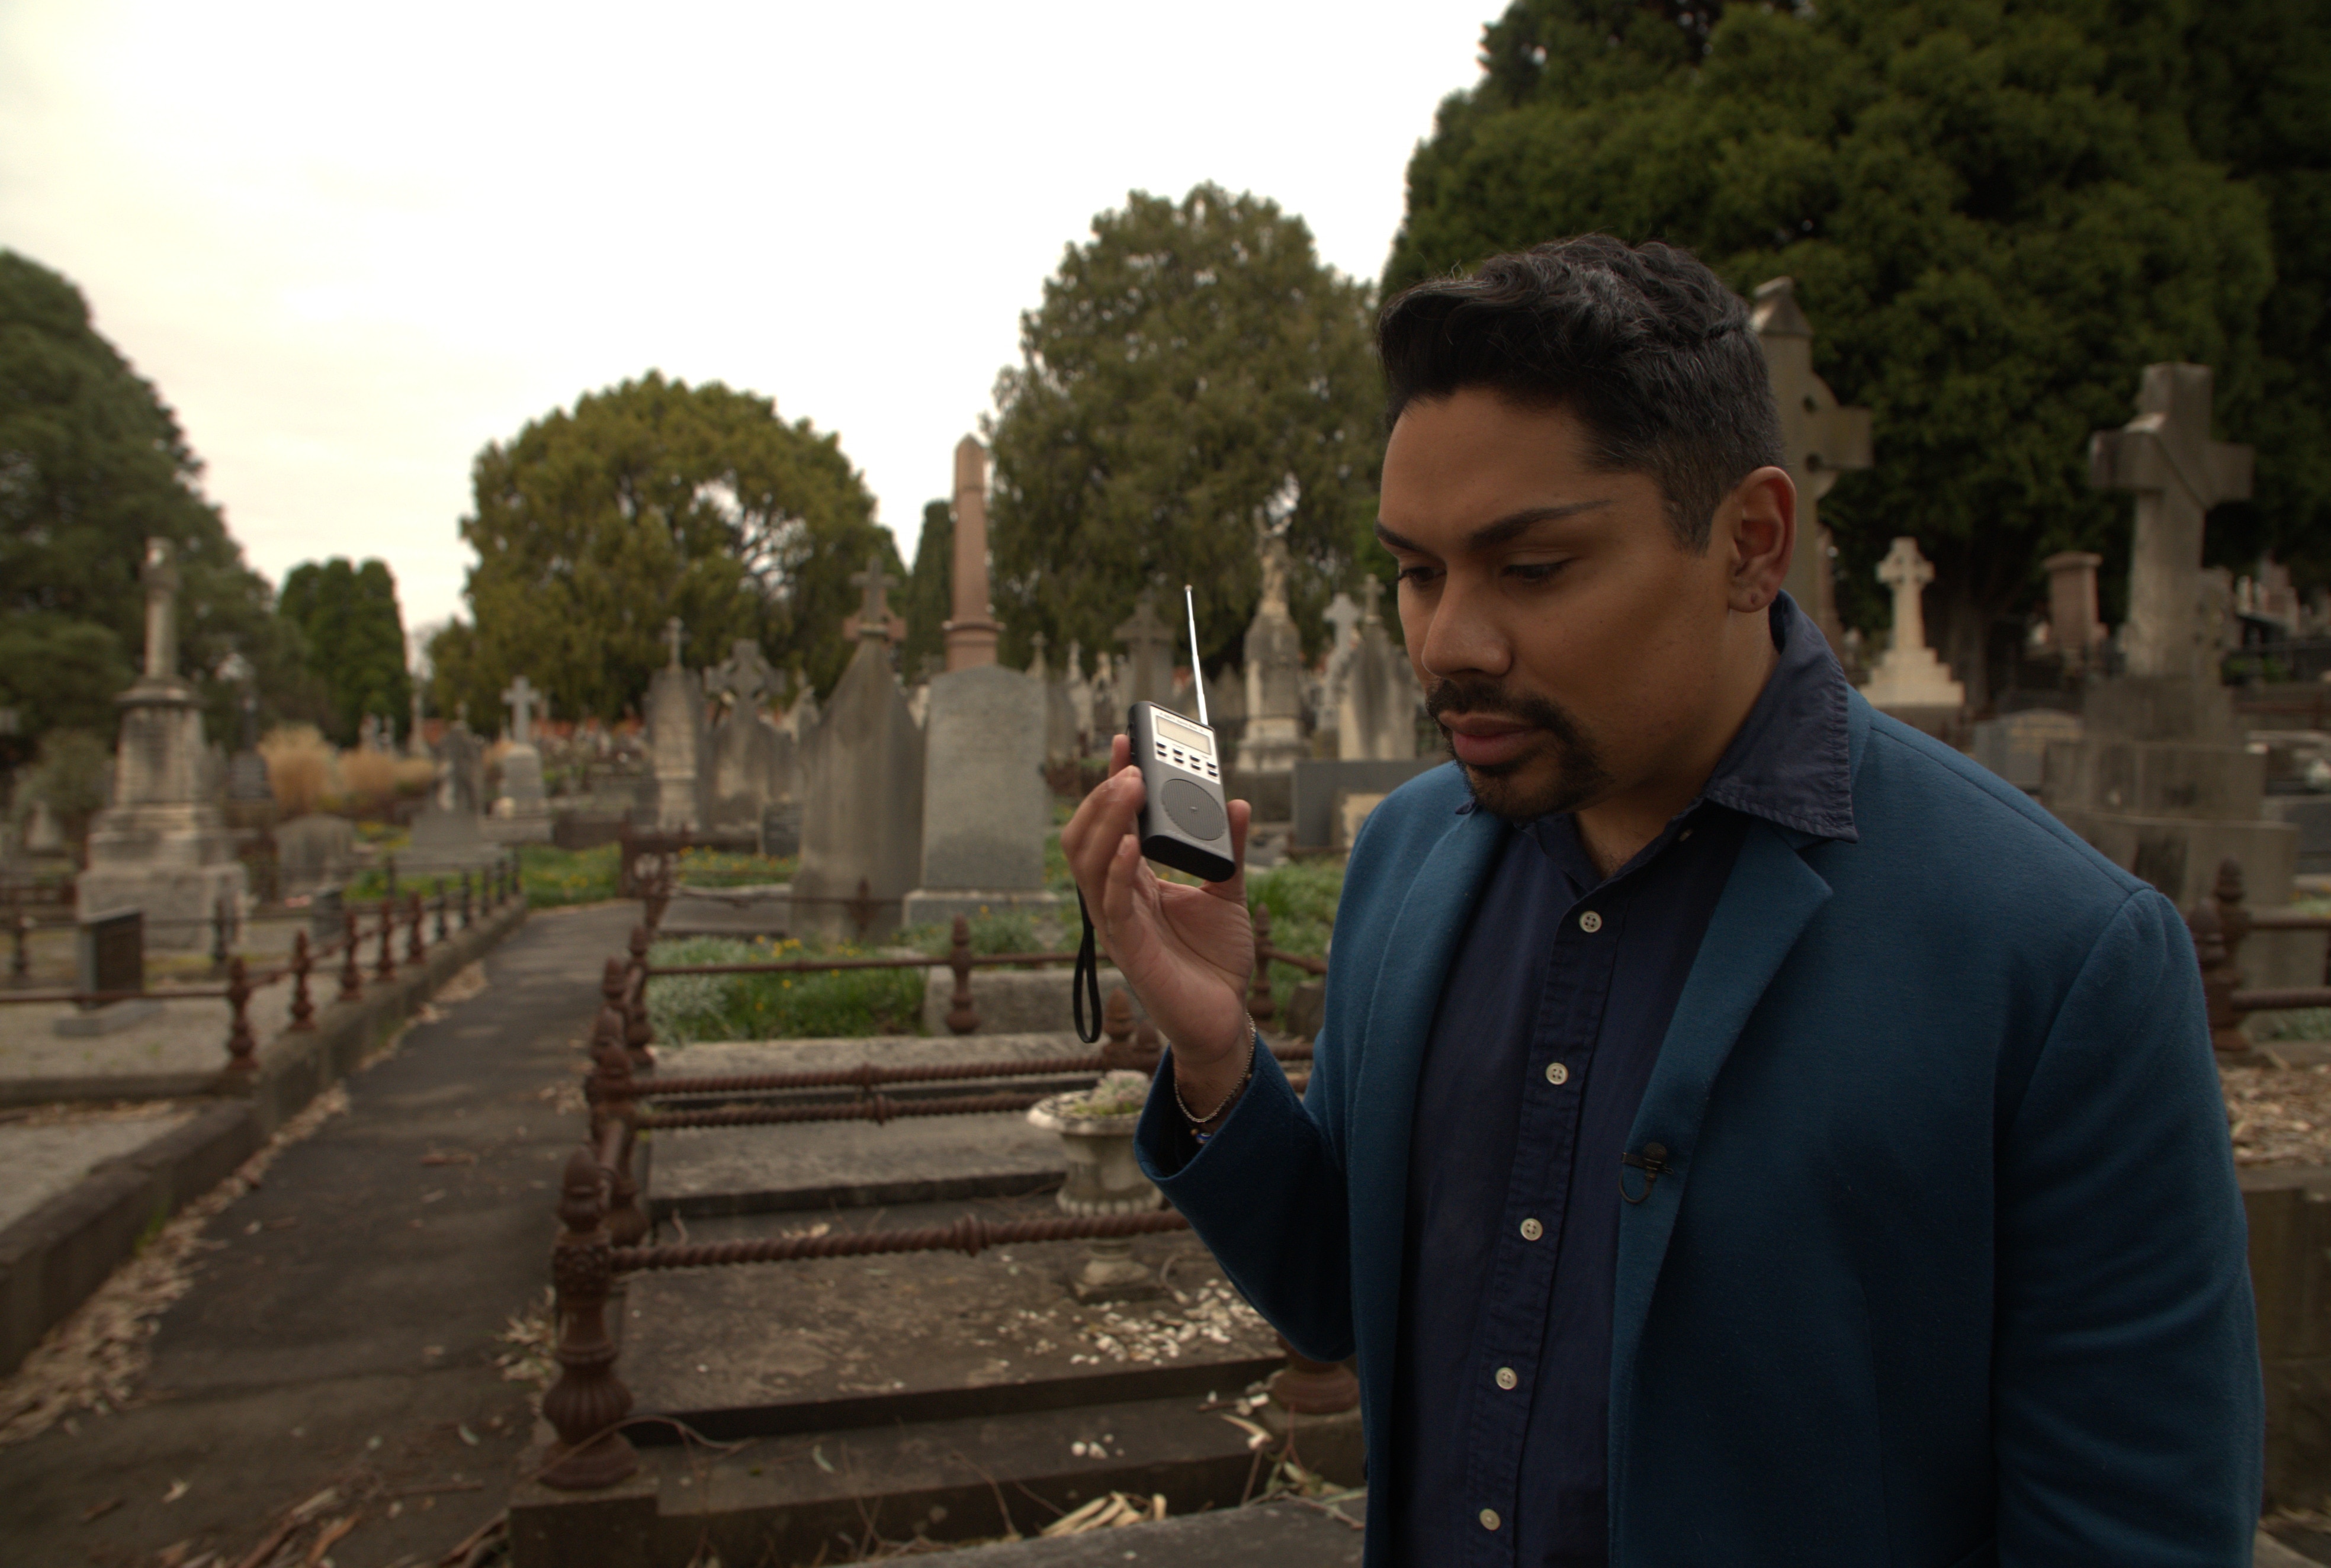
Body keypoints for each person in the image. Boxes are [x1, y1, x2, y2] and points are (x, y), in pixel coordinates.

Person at [1061, 236, 2261, 1567]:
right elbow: (1349, 1297)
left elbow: (2133, 1526)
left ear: (1750, 544)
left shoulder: (2060, 959)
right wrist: (1220, 1057)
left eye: (1531, 568)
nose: (1450, 640)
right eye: (1418, 570)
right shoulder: (1411, 859)